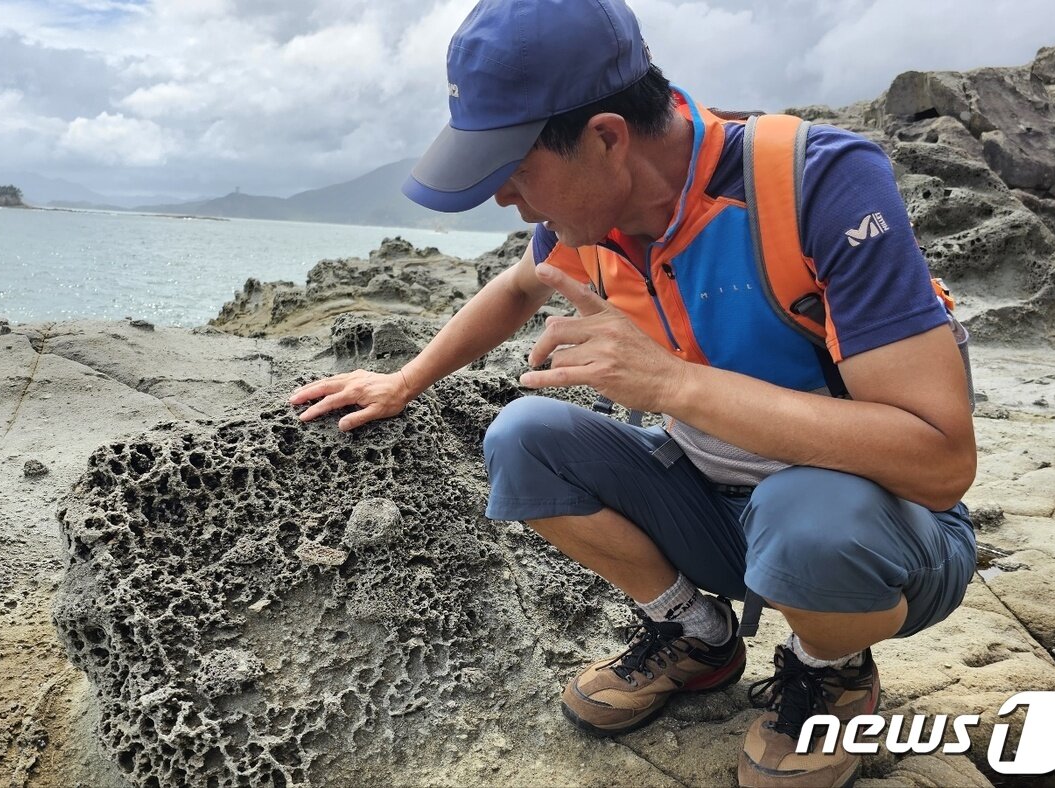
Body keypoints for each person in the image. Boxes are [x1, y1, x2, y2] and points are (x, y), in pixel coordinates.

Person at [288, 1, 977, 785]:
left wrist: (674, 382)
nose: (502, 200)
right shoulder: (589, 225)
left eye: (513, 170)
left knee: (806, 517)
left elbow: (941, 461)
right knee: (523, 438)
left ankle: (832, 669)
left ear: (607, 138)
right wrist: (405, 379)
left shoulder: (818, 186)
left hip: (882, 531)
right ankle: (696, 635)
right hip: (717, 507)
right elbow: (517, 288)